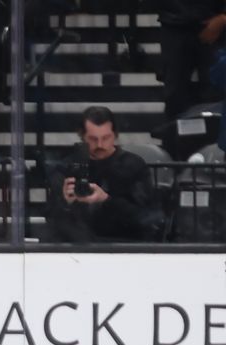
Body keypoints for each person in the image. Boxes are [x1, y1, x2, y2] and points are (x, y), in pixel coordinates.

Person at [47, 106, 162, 243]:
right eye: (93, 139)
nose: (100, 144)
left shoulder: (134, 166)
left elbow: (147, 218)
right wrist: (66, 203)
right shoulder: (66, 168)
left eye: (106, 138)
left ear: (115, 135)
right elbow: (51, 220)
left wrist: (106, 200)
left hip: (125, 245)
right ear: (82, 136)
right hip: (79, 247)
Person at [157, 1, 226, 120]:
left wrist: (223, 18)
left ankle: (216, 137)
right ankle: (175, 136)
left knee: (216, 91)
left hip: (216, 20)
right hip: (174, 22)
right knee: (175, 96)